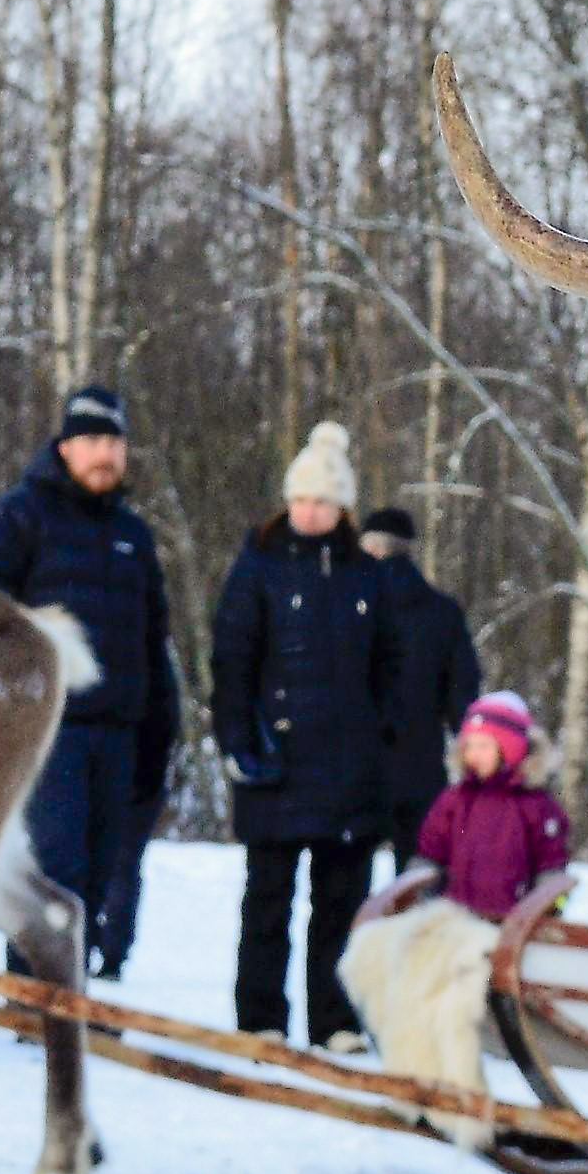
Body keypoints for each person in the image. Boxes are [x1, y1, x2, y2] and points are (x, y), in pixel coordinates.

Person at [0, 380, 179, 983]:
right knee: (50, 867)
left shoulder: (133, 537)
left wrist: (160, 736)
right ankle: (37, 994)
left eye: (114, 441)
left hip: (120, 732)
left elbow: (152, 644)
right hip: (44, 728)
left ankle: (73, 993)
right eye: (90, 440)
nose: (104, 454)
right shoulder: (18, 518)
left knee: (102, 871)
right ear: (64, 447)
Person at [212, 423, 406, 1045]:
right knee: (267, 901)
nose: (307, 511)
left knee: (341, 906)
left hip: (350, 771)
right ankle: (261, 1018)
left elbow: (390, 672)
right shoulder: (257, 567)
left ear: (342, 507)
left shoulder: (367, 578)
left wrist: (384, 752)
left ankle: (335, 1021)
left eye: (320, 501)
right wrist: (237, 742)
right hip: (276, 764)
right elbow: (231, 662)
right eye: (299, 499)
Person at [354, 502, 482, 862]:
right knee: (419, 872)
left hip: (356, 764)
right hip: (420, 761)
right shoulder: (443, 612)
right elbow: (463, 689)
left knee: (344, 884)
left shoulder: (348, 610)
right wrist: (472, 750)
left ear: (372, 548)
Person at [414, 690, 576, 923]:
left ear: (510, 749)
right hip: (456, 926)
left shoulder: (536, 806)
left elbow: (551, 865)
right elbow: (430, 854)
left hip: (514, 927)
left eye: (483, 746)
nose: (473, 754)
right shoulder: (455, 800)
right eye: (468, 746)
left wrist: (547, 909)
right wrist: (420, 895)